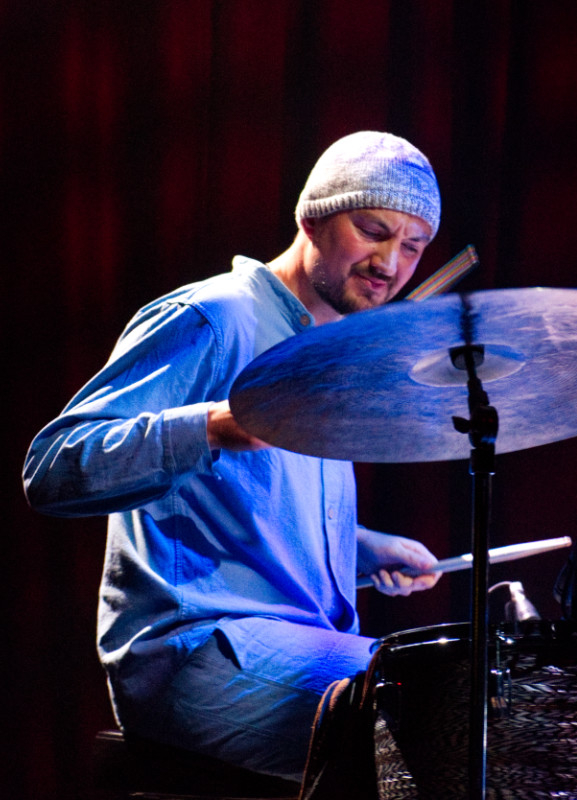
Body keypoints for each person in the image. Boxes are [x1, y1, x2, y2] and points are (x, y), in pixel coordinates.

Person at [23, 131, 443, 785]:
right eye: (373, 230)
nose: (389, 262)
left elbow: (250, 509)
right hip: (192, 653)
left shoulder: (329, 349)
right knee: (428, 706)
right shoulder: (215, 317)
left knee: (464, 694)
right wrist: (212, 425)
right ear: (313, 217)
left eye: (412, 247)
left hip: (285, 646)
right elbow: (53, 467)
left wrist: (361, 548)